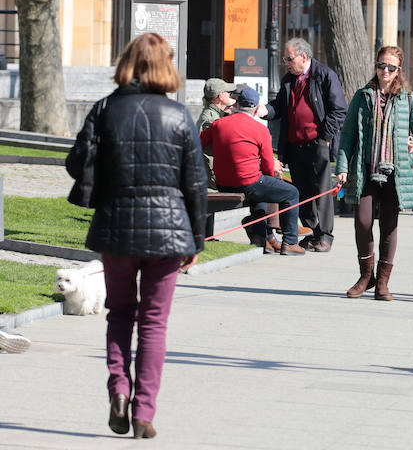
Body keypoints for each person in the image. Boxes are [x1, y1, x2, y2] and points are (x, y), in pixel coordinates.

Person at [65, 32, 207, 438]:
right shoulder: (179, 116)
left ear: (127, 62)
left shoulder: (105, 109)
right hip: (167, 231)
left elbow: (76, 163)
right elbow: (196, 183)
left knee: (120, 313)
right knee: (155, 322)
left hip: (117, 226)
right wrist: (196, 239)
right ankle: (144, 411)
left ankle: (119, 390)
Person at [338, 46, 413, 301]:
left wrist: (409, 158)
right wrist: (343, 168)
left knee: (389, 226)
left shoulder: (408, 98)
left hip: (394, 174)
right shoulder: (363, 95)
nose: (385, 71)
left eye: (391, 67)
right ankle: (366, 277)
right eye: (381, 65)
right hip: (365, 170)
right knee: (363, 222)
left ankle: (383, 283)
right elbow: (347, 136)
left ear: (399, 70)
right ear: (376, 66)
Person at [262, 38, 347, 252]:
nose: (286, 63)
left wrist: (325, 136)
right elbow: (279, 108)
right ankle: (311, 232)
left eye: (289, 59)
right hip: (294, 145)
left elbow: (339, 110)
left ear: (303, 57)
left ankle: (325, 235)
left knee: (322, 190)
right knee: (302, 191)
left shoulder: (324, 75)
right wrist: (264, 111)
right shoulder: (288, 79)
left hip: (317, 143)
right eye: (285, 59)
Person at [200, 87, 304, 256]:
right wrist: (273, 176)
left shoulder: (218, 124)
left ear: (236, 105)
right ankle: (291, 242)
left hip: (223, 183)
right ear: (256, 109)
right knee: (291, 192)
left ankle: (260, 237)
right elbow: (268, 167)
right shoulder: (261, 129)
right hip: (249, 182)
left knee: (260, 195)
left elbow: (198, 144)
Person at [196, 78, 236, 239]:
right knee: (207, 204)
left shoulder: (216, 114)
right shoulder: (210, 118)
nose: (230, 94)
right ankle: (205, 237)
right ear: (220, 96)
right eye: (227, 91)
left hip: (211, 169)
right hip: (208, 170)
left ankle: (208, 236)